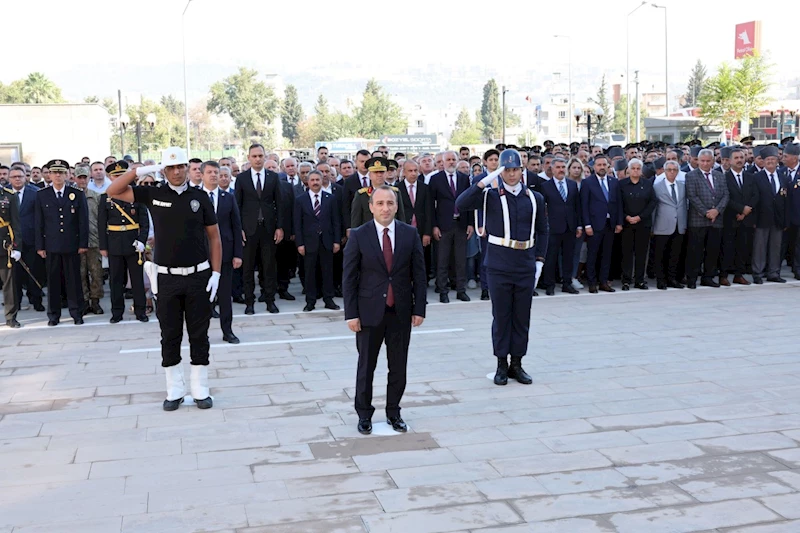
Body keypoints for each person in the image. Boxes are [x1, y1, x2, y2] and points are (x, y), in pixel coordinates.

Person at [106, 147, 222, 411]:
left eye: (181, 166)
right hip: (167, 278)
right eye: (171, 167)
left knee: (199, 334)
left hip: (198, 276)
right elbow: (112, 191)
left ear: (188, 167)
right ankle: (175, 390)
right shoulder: (154, 192)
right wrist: (140, 171)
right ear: (164, 170)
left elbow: (214, 236)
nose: (177, 171)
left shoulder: (200, 197)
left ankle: (200, 389)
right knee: (169, 334)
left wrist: (216, 272)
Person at [456, 149, 548, 386]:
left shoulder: (534, 198)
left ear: (522, 170)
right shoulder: (490, 196)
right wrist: (487, 178)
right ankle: (501, 363)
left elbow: (543, 231)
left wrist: (539, 260)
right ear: (500, 171)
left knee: (521, 317)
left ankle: (517, 363)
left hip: (525, 262)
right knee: (501, 315)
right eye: (506, 170)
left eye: (515, 169)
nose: (511, 174)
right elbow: (461, 202)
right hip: (498, 263)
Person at [344, 185, 426, 435]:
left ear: (396, 206)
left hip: (400, 310)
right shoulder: (359, 235)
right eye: (379, 203)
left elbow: (419, 274)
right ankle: (364, 414)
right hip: (369, 312)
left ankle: (394, 411)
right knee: (366, 366)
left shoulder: (409, 233)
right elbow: (349, 277)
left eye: (390, 203)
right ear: (371, 207)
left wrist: (419, 308)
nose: (385, 208)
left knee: (398, 366)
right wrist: (351, 314)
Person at [35, 159, 89, 326]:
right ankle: (53, 315)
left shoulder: (77, 194)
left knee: (74, 281)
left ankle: (77, 313)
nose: (58, 175)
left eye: (61, 172)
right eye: (54, 172)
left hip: (71, 245)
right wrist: (40, 246)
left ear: (67, 175)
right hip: (51, 246)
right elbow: (39, 222)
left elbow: (83, 221)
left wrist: (83, 243)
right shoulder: (41, 194)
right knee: (53, 282)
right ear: (49, 175)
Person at [235, 144, 284, 314]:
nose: (257, 159)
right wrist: (239, 229)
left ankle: (270, 300)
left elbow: (279, 203)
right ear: (249, 158)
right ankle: (249, 302)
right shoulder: (241, 178)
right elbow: (237, 206)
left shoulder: (273, 177)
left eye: (260, 156)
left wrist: (280, 227)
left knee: (269, 266)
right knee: (248, 267)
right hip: (248, 230)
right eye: (254, 156)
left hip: (268, 228)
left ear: (265, 157)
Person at [98, 162, 150, 323]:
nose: (119, 178)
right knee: (116, 280)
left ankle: (140, 310)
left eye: (122, 175)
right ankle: (117, 312)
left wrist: (142, 241)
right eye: (116, 176)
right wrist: (103, 246)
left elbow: (144, 222)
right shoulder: (105, 197)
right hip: (114, 243)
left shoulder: (136, 195)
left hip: (133, 242)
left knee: (137, 280)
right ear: (110, 177)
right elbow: (101, 223)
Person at [201, 160, 242, 343]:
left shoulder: (228, 197)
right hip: (200, 255)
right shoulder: (195, 197)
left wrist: (237, 254)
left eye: (216, 172)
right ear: (202, 175)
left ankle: (228, 331)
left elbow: (236, 226)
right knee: (201, 297)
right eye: (209, 172)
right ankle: (201, 333)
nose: (213, 175)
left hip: (224, 254)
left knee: (225, 296)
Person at [429, 151, 473, 303]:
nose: (451, 162)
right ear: (442, 162)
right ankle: (443, 291)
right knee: (442, 260)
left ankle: (461, 290)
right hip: (443, 226)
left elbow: (469, 202)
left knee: (461, 260)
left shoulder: (464, 178)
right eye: (448, 160)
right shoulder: (435, 179)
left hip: (460, 224)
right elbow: (430, 206)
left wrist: (470, 224)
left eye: (454, 159)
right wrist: (433, 226)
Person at [294, 170, 341, 312]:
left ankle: (329, 299)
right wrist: (300, 243)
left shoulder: (330, 198)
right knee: (309, 273)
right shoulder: (300, 200)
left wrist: (337, 241)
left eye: (317, 180)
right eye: (312, 180)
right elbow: (297, 224)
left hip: (326, 241)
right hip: (309, 243)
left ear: (322, 181)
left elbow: (336, 221)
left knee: (327, 271)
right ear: (307, 182)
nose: (315, 182)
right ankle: (310, 301)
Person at [685, 149, 729, 288]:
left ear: (713, 161)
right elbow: (692, 196)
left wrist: (717, 211)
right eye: (702, 161)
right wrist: (706, 212)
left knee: (712, 250)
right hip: (698, 220)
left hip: (716, 220)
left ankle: (708, 277)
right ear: (698, 161)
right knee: (695, 251)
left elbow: (726, 195)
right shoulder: (691, 176)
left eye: (708, 161)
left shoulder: (719, 176)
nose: (705, 163)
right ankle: (692, 278)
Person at [580, 155, 623, 293]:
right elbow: (584, 205)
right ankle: (592, 282)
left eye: (604, 165)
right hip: (594, 224)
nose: (602, 167)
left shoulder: (614, 182)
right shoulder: (587, 182)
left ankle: (604, 281)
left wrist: (619, 222)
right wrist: (587, 225)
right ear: (594, 167)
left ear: (608, 166)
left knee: (607, 254)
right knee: (592, 254)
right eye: (599, 165)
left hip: (610, 224)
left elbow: (619, 204)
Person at [539, 157, 581, 295]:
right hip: (553, 228)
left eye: (563, 167)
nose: (561, 170)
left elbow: (577, 207)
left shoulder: (572, 185)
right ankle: (549, 285)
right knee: (551, 257)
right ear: (552, 169)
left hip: (570, 227)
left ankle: (567, 284)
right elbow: (542, 209)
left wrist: (579, 226)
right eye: (558, 167)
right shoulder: (545, 186)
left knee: (568, 257)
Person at [7, 167, 44, 312]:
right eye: (14, 176)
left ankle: (36, 300)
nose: (17, 179)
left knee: (34, 272)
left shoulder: (35, 193)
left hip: (31, 239)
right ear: (9, 178)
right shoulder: (4, 194)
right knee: (14, 275)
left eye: (20, 176)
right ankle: (15, 303)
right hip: (11, 241)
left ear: (25, 177)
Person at [751, 146, 789, 284]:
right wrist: (753, 219)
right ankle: (758, 273)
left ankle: (773, 273)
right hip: (761, 218)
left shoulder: (783, 177)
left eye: (773, 159)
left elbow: (786, 199)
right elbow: (753, 199)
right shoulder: (756, 177)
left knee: (776, 247)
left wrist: (786, 220)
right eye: (768, 159)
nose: (771, 162)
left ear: (777, 160)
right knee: (759, 247)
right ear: (763, 161)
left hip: (778, 219)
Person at [618, 159, 657, 290]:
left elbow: (652, 202)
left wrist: (640, 217)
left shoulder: (647, 184)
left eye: (638, 168)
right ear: (628, 170)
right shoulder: (621, 184)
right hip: (627, 224)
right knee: (626, 253)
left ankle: (640, 280)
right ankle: (626, 280)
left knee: (641, 253)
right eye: (633, 168)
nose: (635, 171)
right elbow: (618, 204)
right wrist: (626, 217)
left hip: (643, 223)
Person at [721, 147, 758, 286]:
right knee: (727, 248)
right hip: (730, 218)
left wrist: (745, 212)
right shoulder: (724, 177)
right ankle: (723, 275)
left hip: (746, 219)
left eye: (741, 158)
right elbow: (726, 197)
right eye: (736, 158)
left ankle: (739, 275)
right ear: (729, 161)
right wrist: (740, 209)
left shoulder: (750, 176)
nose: (739, 160)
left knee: (743, 248)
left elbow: (755, 195)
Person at [72, 166, 105, 315]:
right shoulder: (70, 196)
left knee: (96, 273)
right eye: (80, 177)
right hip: (77, 242)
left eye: (85, 177)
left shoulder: (96, 196)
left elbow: (102, 220)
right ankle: (84, 301)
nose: (82, 180)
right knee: (80, 273)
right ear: (75, 178)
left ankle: (95, 301)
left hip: (94, 240)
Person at [652, 161, 688, 290]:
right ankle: (661, 280)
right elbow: (654, 207)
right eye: (669, 170)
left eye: (674, 170)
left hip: (679, 224)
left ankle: (672, 278)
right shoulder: (657, 186)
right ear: (664, 171)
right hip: (662, 224)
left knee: (675, 253)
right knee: (660, 254)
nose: (672, 172)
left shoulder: (682, 186)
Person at [350, 157, 406, 229]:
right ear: (369, 175)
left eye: (382, 172)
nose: (379, 175)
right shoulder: (361, 195)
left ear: (386, 174)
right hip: (368, 234)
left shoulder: (395, 192)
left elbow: (401, 217)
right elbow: (356, 221)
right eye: (375, 172)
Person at [0, 182, 22, 327]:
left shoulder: (9, 196)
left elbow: (16, 223)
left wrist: (17, 247)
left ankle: (11, 316)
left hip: (4, 244)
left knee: (9, 284)